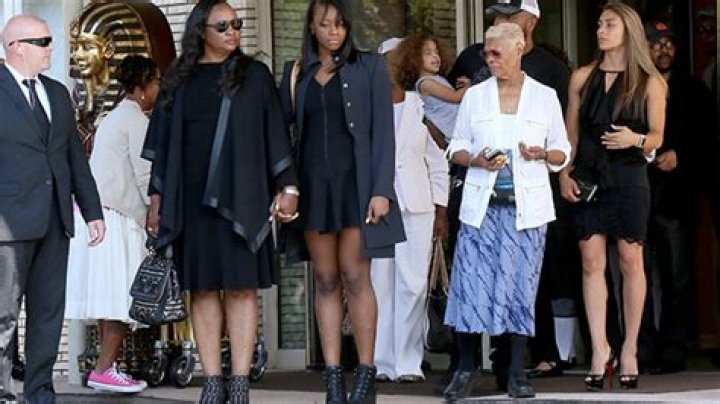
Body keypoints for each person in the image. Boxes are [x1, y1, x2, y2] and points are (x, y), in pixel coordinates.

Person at [142, 1, 299, 402]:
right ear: (201, 31)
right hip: (191, 200)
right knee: (203, 289)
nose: (233, 32)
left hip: (243, 195)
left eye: (237, 24)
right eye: (223, 26)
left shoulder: (254, 75)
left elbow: (274, 133)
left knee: (243, 289)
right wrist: (157, 198)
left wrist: (288, 186)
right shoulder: (178, 79)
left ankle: (240, 382)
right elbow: (162, 146)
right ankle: (212, 380)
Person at [444, 0, 574, 391]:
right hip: (481, 206)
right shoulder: (475, 96)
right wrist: (475, 159)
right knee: (470, 285)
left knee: (520, 288)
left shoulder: (544, 96)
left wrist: (542, 155)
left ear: (519, 49)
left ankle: (515, 371)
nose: (489, 59)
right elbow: (456, 145)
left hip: (526, 209)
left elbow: (563, 149)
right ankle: (465, 368)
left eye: (496, 53)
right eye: (486, 53)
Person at [279, 1, 404, 402]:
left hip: (357, 187)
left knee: (355, 276)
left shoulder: (369, 67)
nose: (334, 31)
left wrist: (381, 189)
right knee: (326, 279)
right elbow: (283, 136)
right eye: (325, 24)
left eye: (340, 24)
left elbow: (384, 133)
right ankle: (333, 378)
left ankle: (365, 375)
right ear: (311, 28)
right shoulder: (296, 72)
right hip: (314, 188)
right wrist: (286, 187)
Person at [559, 2, 667, 391]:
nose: (601, 31)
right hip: (588, 174)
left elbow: (657, 137)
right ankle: (600, 348)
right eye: (600, 24)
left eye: (610, 25)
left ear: (628, 31)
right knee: (590, 261)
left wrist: (634, 139)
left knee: (630, 260)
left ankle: (630, 349)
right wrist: (564, 173)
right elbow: (570, 135)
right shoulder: (581, 77)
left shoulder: (650, 82)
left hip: (628, 175)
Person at [0, 14, 105, 402]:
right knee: (4, 314)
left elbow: (73, 156)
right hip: (7, 224)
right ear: (17, 47)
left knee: (48, 314)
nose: (51, 48)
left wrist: (92, 211)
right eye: (43, 41)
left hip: (55, 220)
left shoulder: (57, 93)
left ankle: (40, 393)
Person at [65, 54, 161, 393]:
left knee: (109, 299)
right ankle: (104, 370)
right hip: (118, 220)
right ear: (141, 87)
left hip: (100, 217)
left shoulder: (113, 117)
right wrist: (154, 214)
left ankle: (105, 369)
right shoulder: (135, 120)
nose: (159, 88)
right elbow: (145, 174)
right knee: (121, 299)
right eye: (156, 82)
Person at [370, 37, 449, 384]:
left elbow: (438, 162)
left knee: (413, 284)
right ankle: (379, 361)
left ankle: (408, 361)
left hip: (417, 207)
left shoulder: (420, 106)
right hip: (378, 208)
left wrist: (441, 211)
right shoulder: (368, 107)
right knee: (379, 284)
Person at [638, 21, 714, 374]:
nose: (663, 49)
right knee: (637, 276)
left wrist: (680, 155)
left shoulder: (694, 89)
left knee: (677, 277)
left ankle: (675, 349)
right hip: (639, 193)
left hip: (677, 197)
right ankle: (641, 348)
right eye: (656, 43)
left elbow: (709, 137)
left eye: (669, 43)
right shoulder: (633, 87)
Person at [393, 33, 468, 146]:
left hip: (457, 127)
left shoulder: (436, 79)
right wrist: (469, 86)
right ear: (414, 59)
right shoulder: (425, 83)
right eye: (428, 53)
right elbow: (455, 97)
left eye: (436, 52)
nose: (435, 56)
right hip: (449, 132)